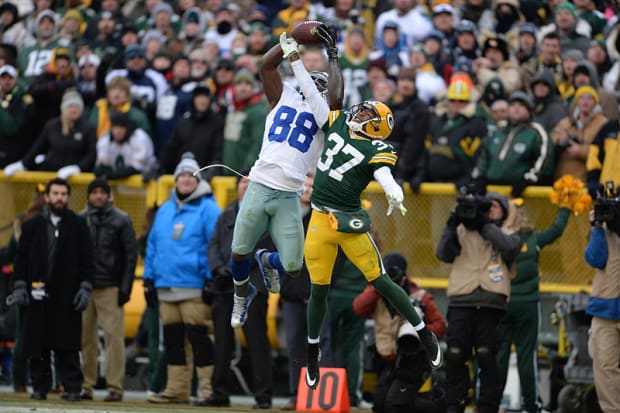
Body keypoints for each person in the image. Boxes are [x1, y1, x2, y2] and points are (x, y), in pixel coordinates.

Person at [278, 29, 443, 390]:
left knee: (381, 280)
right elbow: (307, 88)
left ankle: (422, 330)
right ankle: (311, 349)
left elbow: (384, 173)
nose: (361, 110)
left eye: (369, 111)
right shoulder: (336, 121)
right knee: (316, 289)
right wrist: (294, 59)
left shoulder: (377, 149)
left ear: (376, 126)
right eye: (364, 107)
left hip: (349, 222)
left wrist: (394, 190)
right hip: (320, 218)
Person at [228, 26, 335, 329]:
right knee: (238, 250)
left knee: (293, 266)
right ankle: (241, 294)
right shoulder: (283, 94)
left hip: (289, 194)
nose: (312, 83)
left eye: (320, 82)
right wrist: (292, 40)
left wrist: (333, 58)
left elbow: (334, 99)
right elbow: (266, 64)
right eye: (310, 78)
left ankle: (266, 260)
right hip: (261, 183)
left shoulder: (326, 114)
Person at [143, 153, 220, 404]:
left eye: (191, 175)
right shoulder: (165, 209)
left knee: (200, 339)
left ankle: (209, 390)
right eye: (182, 175)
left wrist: (210, 278)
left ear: (198, 180)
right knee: (174, 341)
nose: (186, 179)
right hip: (166, 284)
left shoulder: (209, 208)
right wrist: (148, 278)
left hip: (194, 285)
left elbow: (215, 245)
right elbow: (153, 245)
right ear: (175, 180)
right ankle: (177, 390)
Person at [436, 191, 522, 413]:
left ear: (504, 211)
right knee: (455, 353)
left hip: (491, 301)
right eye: (486, 206)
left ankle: (487, 407)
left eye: (495, 206)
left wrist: (484, 225)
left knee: (486, 353)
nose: (489, 210)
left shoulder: (507, 231)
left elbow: (511, 247)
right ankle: (454, 403)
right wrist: (451, 224)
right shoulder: (461, 230)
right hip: (461, 299)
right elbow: (442, 253)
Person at [10, 177, 94, 401]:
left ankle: (73, 387)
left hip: (67, 295)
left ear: (68, 197)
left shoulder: (78, 225)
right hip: (36, 294)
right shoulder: (31, 226)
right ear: (47, 197)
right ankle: (40, 387)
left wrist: (85, 287)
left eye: (64, 194)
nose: (60, 198)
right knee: (37, 344)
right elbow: (20, 259)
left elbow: (87, 259)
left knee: (67, 344)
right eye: (55, 194)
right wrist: (19, 286)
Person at [205, 173, 274, 409]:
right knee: (222, 344)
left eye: (251, 181)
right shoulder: (226, 214)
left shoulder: (267, 215)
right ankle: (219, 393)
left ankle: (263, 396)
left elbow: (262, 247)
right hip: (225, 287)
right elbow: (213, 244)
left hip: (252, 286)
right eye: (242, 181)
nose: (246, 185)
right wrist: (219, 269)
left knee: (257, 342)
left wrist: (235, 269)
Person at [497, 200, 570, 413]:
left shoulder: (498, 239)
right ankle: (531, 406)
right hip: (528, 306)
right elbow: (557, 230)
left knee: (499, 356)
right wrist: (565, 207)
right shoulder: (533, 239)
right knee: (527, 358)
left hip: (502, 304)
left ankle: (492, 403)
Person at [353, 253, 446, 413]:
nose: (392, 279)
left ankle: (440, 405)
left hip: (413, 359)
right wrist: (379, 284)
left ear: (404, 276)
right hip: (388, 361)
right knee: (380, 405)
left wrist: (419, 331)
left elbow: (441, 326)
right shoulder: (377, 295)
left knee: (396, 405)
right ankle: (432, 398)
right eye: (387, 275)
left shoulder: (419, 297)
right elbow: (358, 308)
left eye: (394, 275)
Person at [79, 178, 137, 402]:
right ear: (89, 196)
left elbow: (130, 256)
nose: (99, 196)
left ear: (109, 195)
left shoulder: (121, 220)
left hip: (110, 287)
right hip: (85, 288)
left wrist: (125, 288)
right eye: (95, 192)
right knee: (85, 339)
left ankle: (115, 387)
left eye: (103, 192)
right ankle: (86, 385)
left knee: (114, 339)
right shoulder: (80, 219)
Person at [3, 89, 97, 179]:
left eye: (77, 106)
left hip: (75, 178)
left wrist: (78, 168)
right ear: (64, 108)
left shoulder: (88, 128)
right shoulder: (53, 125)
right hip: (50, 173)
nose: (74, 109)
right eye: (70, 106)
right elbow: (38, 147)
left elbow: (92, 153)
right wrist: (23, 164)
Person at [584, 186, 620, 412]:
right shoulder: (604, 230)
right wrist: (597, 227)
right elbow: (595, 259)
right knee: (605, 367)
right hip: (606, 308)